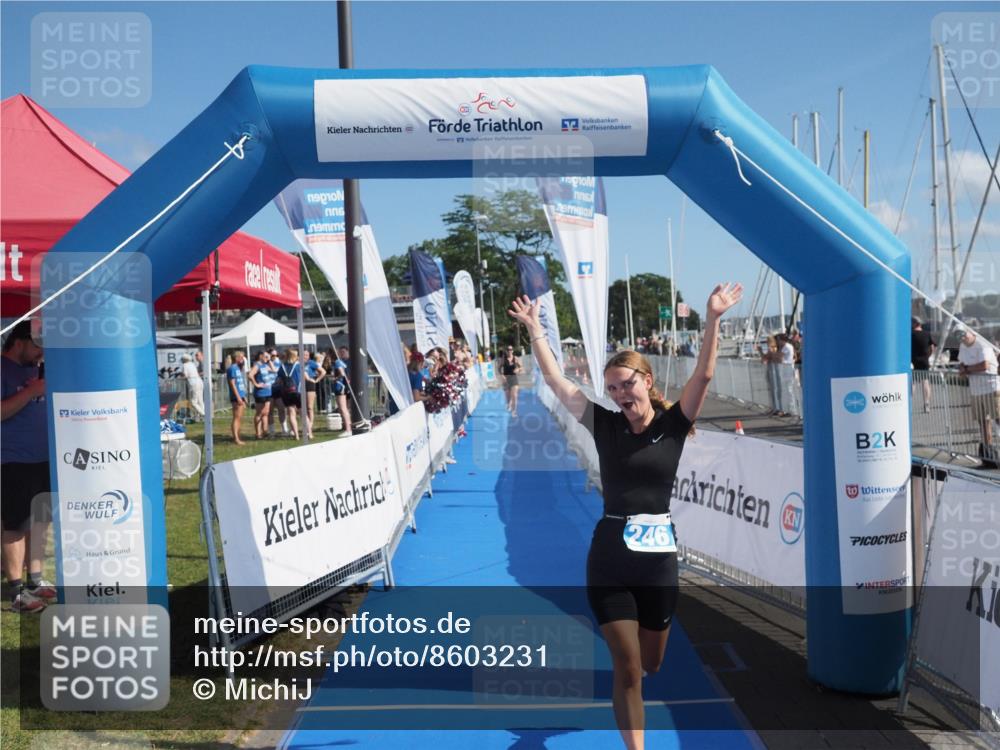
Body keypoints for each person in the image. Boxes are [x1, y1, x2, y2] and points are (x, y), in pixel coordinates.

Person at [508, 281, 743, 750]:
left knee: (652, 663)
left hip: (658, 562)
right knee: (629, 668)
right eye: (612, 387)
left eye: (627, 384)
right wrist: (535, 330)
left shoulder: (676, 425)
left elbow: (705, 376)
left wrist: (713, 318)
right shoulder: (604, 423)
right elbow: (558, 382)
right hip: (609, 559)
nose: (619, 394)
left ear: (647, 382)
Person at [1, 321, 57, 612]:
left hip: (43, 457)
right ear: (19, 342)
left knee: (40, 521)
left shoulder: (38, 370)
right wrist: (32, 390)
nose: (41, 353)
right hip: (12, 460)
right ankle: (17, 590)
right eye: (37, 346)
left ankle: (35, 580)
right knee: (16, 525)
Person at [957, 326, 1000, 469]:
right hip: (976, 391)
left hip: (991, 388)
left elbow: (985, 365)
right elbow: (961, 366)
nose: (963, 338)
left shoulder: (983, 345)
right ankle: (989, 455)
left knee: (998, 419)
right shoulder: (963, 346)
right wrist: (965, 369)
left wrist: (967, 369)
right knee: (983, 423)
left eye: (964, 335)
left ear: (971, 332)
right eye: (959, 336)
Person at [911, 317, 936, 414]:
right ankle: (927, 404)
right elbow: (932, 347)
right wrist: (927, 356)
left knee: (913, 383)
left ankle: (909, 403)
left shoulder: (910, 335)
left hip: (913, 361)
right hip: (924, 361)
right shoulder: (927, 334)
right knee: (925, 382)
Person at [277, 348, 303, 440]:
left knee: (291, 413)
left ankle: (296, 435)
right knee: (302, 413)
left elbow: (279, 380)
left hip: (287, 392)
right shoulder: (299, 365)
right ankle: (309, 433)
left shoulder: (282, 367)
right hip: (298, 391)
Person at [249, 351, 275, 440]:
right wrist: (256, 384)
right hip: (260, 392)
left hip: (268, 391)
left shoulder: (265, 365)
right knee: (259, 413)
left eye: (268, 356)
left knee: (266, 413)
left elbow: (274, 370)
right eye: (265, 356)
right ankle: (258, 433)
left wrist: (269, 360)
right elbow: (250, 375)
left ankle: (265, 431)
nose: (267, 357)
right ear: (260, 356)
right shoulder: (257, 365)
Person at [303, 350, 326, 440]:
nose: (305, 356)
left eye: (307, 355)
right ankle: (307, 428)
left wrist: (317, 380)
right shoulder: (297, 363)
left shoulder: (311, 363)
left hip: (310, 385)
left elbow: (323, 372)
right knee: (301, 408)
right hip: (300, 385)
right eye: (304, 354)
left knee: (309, 407)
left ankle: (310, 429)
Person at [227, 350, 248, 445]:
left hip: (241, 395)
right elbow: (232, 384)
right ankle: (236, 438)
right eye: (241, 357)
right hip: (236, 397)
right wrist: (238, 397)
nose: (243, 359)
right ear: (237, 358)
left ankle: (238, 436)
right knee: (236, 417)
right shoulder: (232, 368)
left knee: (239, 417)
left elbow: (240, 383)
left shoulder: (238, 368)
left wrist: (243, 396)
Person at [332, 348, 352, 436]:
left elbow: (342, 374)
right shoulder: (344, 362)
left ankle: (348, 429)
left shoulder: (337, 362)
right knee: (345, 408)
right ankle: (348, 427)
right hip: (345, 386)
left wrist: (335, 378)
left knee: (343, 408)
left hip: (340, 386)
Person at [500, 345, 523, 417]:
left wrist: (518, 370)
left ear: (512, 351)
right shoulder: (503, 359)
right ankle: (508, 403)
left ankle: (514, 411)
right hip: (506, 378)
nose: (509, 351)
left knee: (514, 396)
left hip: (514, 378)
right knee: (508, 395)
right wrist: (502, 375)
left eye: (511, 349)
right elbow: (498, 368)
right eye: (508, 349)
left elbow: (521, 367)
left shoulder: (515, 358)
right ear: (506, 351)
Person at [181, 353, 205, 419]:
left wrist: (181, 377)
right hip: (200, 381)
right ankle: (201, 416)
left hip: (193, 383)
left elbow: (186, 375)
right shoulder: (192, 364)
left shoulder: (184, 365)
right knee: (200, 400)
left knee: (193, 402)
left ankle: (203, 414)